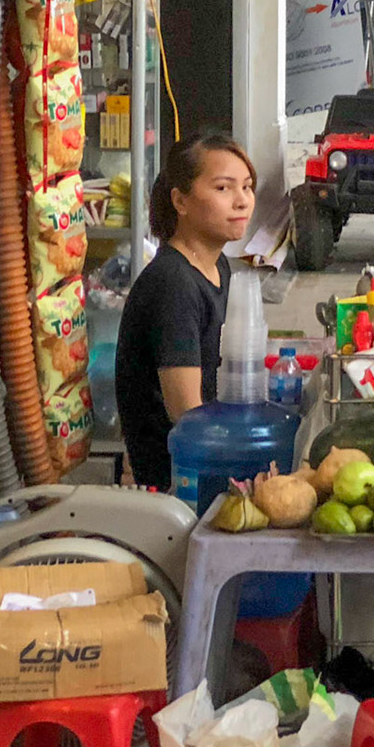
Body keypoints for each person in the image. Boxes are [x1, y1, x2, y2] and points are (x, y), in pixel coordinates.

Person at [114, 135, 257, 489]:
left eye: (247, 187)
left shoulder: (216, 265)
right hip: (178, 479)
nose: (242, 201)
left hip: (207, 452)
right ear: (180, 200)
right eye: (224, 188)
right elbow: (188, 416)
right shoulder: (172, 284)